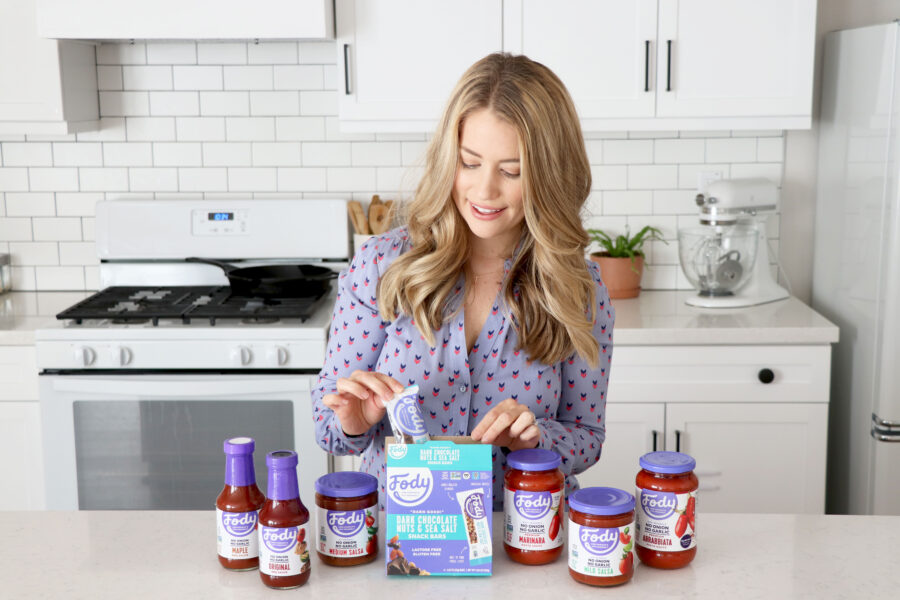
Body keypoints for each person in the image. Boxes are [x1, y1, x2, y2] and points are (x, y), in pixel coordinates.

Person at [312, 52, 614, 510]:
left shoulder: (578, 288)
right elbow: (327, 424)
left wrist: (536, 438)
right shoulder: (382, 265)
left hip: (522, 536)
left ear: (549, 176)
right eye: (469, 163)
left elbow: (587, 436)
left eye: (511, 171)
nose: (485, 190)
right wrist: (354, 421)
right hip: (401, 541)